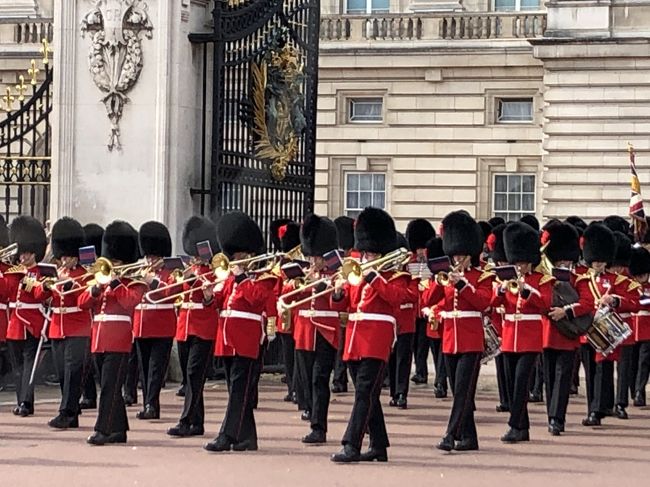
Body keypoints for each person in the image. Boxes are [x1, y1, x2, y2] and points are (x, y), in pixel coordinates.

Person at [330, 207, 416, 463]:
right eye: (365, 252)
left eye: (371, 253)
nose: (366, 256)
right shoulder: (358, 274)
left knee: (365, 393)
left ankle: (351, 444)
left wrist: (374, 277)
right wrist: (337, 293)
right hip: (355, 339)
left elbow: (398, 299)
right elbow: (346, 305)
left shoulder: (397, 276)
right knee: (367, 394)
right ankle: (378, 445)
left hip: (377, 339)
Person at [204, 211, 277, 452]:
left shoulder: (264, 277)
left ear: (251, 256)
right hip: (226, 339)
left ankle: (227, 435)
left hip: (246, 340)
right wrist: (208, 296)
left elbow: (257, 299)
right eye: (234, 256)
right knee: (236, 390)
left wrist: (242, 277)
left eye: (240, 257)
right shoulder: (230, 278)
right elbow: (222, 302)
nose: (235, 261)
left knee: (238, 391)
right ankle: (247, 438)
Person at [422, 211, 493, 452]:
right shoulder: (447, 276)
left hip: (471, 340)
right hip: (450, 338)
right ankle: (469, 438)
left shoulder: (482, 276)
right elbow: (429, 300)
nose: (457, 258)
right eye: (454, 255)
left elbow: (484, 303)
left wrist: (462, 284)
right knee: (459, 393)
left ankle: (450, 435)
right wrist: (436, 281)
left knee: (463, 392)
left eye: (461, 254)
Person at [78, 221, 141, 445]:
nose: (111, 265)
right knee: (109, 386)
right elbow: (82, 303)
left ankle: (103, 429)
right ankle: (119, 430)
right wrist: (94, 290)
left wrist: (115, 284)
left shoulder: (134, 282)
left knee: (109, 387)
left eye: (115, 262)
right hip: (98, 339)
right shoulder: (100, 281)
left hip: (119, 340)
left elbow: (129, 303)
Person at [569, 224, 637, 426]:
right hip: (588, 331)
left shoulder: (619, 281)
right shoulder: (581, 281)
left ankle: (598, 409)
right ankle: (594, 407)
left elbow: (634, 301)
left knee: (603, 371)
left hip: (607, 331)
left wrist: (615, 300)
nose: (598, 264)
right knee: (590, 373)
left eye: (601, 261)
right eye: (595, 261)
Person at [282, 214, 341, 443]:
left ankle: (319, 427)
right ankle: (309, 409)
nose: (315, 261)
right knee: (305, 378)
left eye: (318, 257)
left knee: (319, 379)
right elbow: (287, 296)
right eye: (312, 256)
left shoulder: (336, 274)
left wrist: (334, 290)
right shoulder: (305, 273)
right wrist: (299, 283)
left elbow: (341, 300)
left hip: (325, 331)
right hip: (305, 332)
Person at [495, 221, 553, 443]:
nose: (519, 267)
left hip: (530, 338)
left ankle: (513, 425)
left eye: (522, 263)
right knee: (511, 385)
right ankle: (522, 428)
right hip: (510, 336)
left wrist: (526, 290)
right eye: (516, 262)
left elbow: (545, 304)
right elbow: (491, 302)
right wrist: (500, 290)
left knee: (521, 384)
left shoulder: (543, 280)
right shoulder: (506, 279)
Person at [33, 217, 92, 429]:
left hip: (78, 328)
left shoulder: (85, 276)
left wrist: (73, 287)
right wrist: (49, 286)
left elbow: (86, 302)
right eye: (63, 256)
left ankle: (66, 412)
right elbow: (39, 294)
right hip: (57, 327)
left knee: (73, 373)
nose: (65, 261)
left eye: (68, 257)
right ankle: (71, 411)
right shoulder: (58, 274)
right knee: (62, 374)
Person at [166, 216, 219, 437]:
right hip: (184, 328)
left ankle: (186, 420)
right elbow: (169, 294)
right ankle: (197, 423)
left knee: (194, 374)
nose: (195, 257)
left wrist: (204, 293)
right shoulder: (188, 271)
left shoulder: (215, 273)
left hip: (204, 329)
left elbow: (216, 300)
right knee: (191, 378)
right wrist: (182, 278)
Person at [2, 216, 48, 417]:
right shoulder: (13, 271)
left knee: (29, 366)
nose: (23, 258)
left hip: (32, 322)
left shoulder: (41, 272)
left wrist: (26, 280)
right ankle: (21, 401)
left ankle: (27, 403)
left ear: (34, 253)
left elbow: (40, 294)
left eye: (27, 254)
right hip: (15, 325)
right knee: (18, 367)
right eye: (21, 255)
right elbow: (4, 292)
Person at [132, 221, 176, 420]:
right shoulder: (140, 271)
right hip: (141, 325)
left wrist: (153, 281)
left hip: (162, 326)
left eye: (153, 256)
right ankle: (146, 404)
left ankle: (152, 404)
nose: (150, 259)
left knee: (156, 369)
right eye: (148, 256)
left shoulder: (171, 272)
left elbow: (170, 293)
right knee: (144, 369)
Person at [543, 222, 582, 435]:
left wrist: (565, 311)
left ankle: (558, 418)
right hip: (548, 333)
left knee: (563, 377)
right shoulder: (546, 278)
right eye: (561, 261)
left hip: (567, 335)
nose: (565, 264)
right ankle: (551, 415)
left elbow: (587, 303)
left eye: (567, 261)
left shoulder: (578, 278)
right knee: (549, 377)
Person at [271, 219, 300, 404]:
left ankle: (298, 388)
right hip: (285, 315)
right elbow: (275, 290)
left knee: (298, 356)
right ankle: (291, 387)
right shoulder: (280, 264)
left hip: (299, 314)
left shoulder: (301, 262)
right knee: (288, 356)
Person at [406, 219, 435, 386]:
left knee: (425, 343)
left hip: (427, 307)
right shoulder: (410, 261)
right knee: (416, 343)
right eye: (419, 249)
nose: (421, 252)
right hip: (414, 307)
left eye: (423, 249)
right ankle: (419, 371)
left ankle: (422, 371)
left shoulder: (432, 261)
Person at [78, 223, 103, 410]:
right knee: (85, 361)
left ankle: (93, 395)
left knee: (93, 362)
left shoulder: (100, 270)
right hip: (86, 321)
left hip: (95, 322)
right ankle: (88, 394)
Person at [331, 215, 354, 394]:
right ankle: (339, 378)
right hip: (340, 306)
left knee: (345, 345)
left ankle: (341, 378)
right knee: (340, 346)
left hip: (350, 309)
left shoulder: (354, 259)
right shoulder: (335, 260)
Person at [630, 246, 650, 406]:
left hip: (647, 328)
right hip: (632, 327)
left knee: (644, 361)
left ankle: (639, 391)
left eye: (642, 275)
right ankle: (634, 389)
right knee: (632, 361)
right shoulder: (631, 284)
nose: (639, 278)